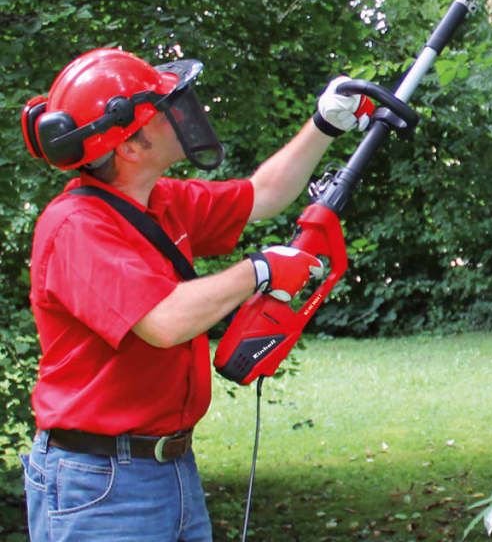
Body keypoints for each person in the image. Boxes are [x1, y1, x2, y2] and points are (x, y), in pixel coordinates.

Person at [18, 47, 374, 542]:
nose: (182, 113)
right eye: (163, 108)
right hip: (101, 483)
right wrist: (259, 270)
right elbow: (164, 321)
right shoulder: (75, 227)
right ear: (130, 146)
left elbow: (263, 194)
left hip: (171, 467)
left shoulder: (162, 200)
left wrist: (325, 123)